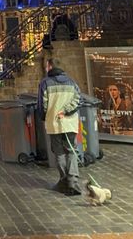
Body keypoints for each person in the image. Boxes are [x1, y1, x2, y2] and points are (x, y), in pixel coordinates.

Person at [37, 57, 81, 196]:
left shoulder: (45, 83)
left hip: (54, 123)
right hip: (70, 122)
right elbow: (78, 99)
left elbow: (42, 105)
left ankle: (63, 181)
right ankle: (73, 180)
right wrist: (67, 111)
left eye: (46, 66)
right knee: (71, 150)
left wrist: (45, 117)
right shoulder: (72, 82)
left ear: (49, 67)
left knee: (59, 152)